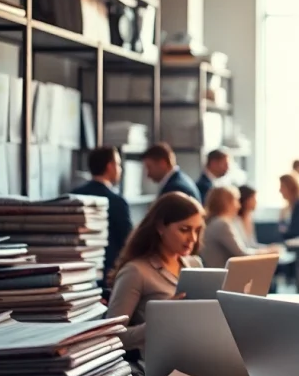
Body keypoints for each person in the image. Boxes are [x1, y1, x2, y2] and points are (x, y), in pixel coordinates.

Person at [104, 192, 205, 352]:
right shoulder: (135, 271)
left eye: (197, 230)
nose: (193, 238)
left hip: (197, 351)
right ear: (160, 227)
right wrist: (160, 320)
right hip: (160, 360)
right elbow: (112, 336)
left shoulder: (195, 264)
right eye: (185, 229)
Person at [71, 146, 133, 288]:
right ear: (110, 166)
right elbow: (128, 242)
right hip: (106, 274)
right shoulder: (116, 202)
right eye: (118, 164)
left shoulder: (74, 196)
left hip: (75, 274)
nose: (120, 169)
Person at [200, 186, 278, 268]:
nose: (239, 206)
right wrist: (268, 252)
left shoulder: (216, 222)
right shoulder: (222, 224)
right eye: (236, 200)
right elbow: (242, 254)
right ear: (226, 203)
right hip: (223, 274)